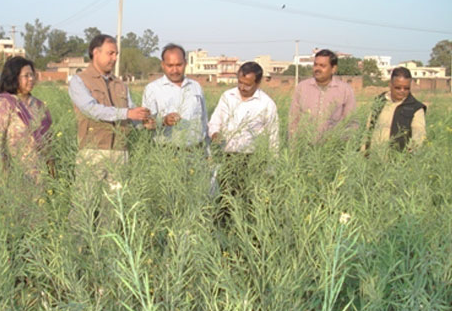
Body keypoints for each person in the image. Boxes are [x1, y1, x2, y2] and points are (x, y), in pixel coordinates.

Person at [68, 34, 150, 228]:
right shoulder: (79, 81)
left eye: (116, 54)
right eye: (110, 53)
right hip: (92, 152)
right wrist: (127, 113)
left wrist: (144, 122)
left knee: (113, 208)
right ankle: (77, 244)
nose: (114, 58)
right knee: (84, 206)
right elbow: (92, 110)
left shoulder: (120, 84)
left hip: (120, 154)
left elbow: (131, 114)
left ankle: (107, 246)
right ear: (95, 53)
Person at [208, 61, 279, 205]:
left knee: (249, 202)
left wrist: (271, 168)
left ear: (258, 83)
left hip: (253, 161)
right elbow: (214, 122)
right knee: (225, 202)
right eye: (240, 82)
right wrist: (215, 133)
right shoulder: (227, 96)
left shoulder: (266, 104)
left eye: (247, 84)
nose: (242, 87)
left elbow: (273, 137)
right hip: (227, 158)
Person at [0, 56, 53, 181]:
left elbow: (49, 142)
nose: (31, 79)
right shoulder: (3, 104)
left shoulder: (39, 105)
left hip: (39, 175)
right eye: (26, 76)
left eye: (32, 75)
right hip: (14, 175)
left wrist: (51, 172)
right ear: (13, 77)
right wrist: (3, 172)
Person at [142, 43, 209, 150]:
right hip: (166, 152)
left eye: (179, 65)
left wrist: (207, 150)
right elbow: (146, 123)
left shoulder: (195, 87)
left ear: (185, 63)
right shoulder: (153, 89)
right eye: (170, 66)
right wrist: (163, 121)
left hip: (196, 151)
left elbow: (204, 121)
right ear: (163, 65)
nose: (175, 70)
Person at [288, 49, 356, 141]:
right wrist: (293, 144)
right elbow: (293, 119)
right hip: (305, 146)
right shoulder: (302, 88)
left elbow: (351, 122)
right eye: (315, 65)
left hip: (333, 146)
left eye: (322, 66)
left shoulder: (345, 90)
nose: (317, 69)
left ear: (333, 69)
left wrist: (343, 143)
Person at [364, 67, 426, 152]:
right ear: (390, 84)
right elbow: (368, 128)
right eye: (398, 88)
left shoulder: (415, 108)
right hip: (373, 157)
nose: (402, 91)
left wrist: (414, 147)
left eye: (406, 88)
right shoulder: (380, 101)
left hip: (397, 159)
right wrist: (363, 152)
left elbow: (419, 132)